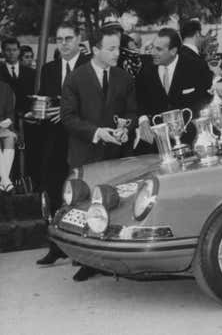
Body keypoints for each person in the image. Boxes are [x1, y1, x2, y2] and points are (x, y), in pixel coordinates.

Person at [60, 26, 137, 281]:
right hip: (85, 156)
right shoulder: (75, 78)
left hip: (115, 157)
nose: (117, 53)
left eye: (118, 48)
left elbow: (131, 112)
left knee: (115, 207)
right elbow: (68, 118)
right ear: (96, 50)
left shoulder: (124, 78)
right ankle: (87, 261)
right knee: (84, 209)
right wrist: (96, 132)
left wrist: (126, 128)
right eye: (111, 48)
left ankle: (113, 258)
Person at [35, 21, 91, 265]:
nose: (64, 43)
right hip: (54, 140)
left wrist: (66, 111)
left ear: (79, 39)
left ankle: (85, 253)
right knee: (54, 189)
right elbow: (43, 101)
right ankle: (56, 246)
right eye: (59, 39)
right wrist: (40, 112)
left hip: (81, 139)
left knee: (82, 191)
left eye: (68, 38)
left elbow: (94, 103)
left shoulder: (89, 66)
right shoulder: (49, 69)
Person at [135, 28, 211, 154]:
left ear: (173, 51)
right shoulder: (145, 70)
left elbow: (206, 99)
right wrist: (143, 120)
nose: (152, 52)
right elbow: (139, 100)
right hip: (157, 144)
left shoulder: (196, 67)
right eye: (153, 47)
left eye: (158, 49)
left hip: (191, 141)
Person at [1, 37, 37, 190]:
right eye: (8, 50)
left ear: (19, 51)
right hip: (4, 118)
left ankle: (26, 183)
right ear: (3, 52)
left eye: (14, 50)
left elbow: (35, 94)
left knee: (28, 152)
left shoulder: (31, 73)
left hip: (26, 118)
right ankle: (7, 181)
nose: (11, 53)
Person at [0, 81, 16, 192]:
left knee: (10, 137)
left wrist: (8, 120)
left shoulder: (5, 87)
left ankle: (3, 182)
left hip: (1, 127)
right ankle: (6, 180)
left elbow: (10, 113)